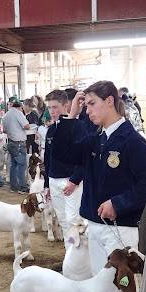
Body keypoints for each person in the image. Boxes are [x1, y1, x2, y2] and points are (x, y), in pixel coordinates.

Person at [58, 80, 146, 292]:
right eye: (85, 105)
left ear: (111, 101)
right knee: (103, 289)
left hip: (120, 229)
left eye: (91, 104)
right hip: (95, 226)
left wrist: (119, 202)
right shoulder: (97, 139)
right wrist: (70, 116)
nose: (88, 110)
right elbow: (65, 153)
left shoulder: (133, 142)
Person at [44, 90, 85, 247]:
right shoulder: (51, 130)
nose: (52, 111)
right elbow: (48, 159)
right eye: (49, 108)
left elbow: (83, 157)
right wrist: (47, 184)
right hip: (54, 180)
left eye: (55, 107)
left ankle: (79, 262)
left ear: (66, 105)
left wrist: (75, 180)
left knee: (74, 220)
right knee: (62, 221)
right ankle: (70, 257)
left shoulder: (78, 127)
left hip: (71, 181)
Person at [2, 101, 30, 194]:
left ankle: (13, 186)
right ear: (20, 107)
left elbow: (4, 130)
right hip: (19, 142)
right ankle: (22, 187)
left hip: (11, 141)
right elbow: (26, 126)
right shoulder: (18, 113)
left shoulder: (6, 115)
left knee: (13, 165)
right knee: (21, 165)